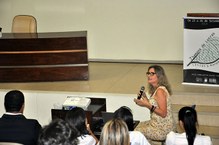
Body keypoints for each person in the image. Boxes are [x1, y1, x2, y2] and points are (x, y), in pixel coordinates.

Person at [133, 65, 175, 141]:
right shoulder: (156, 89)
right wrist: (145, 98)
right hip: (156, 123)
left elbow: (163, 113)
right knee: (137, 125)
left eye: (152, 74)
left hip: (163, 128)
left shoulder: (160, 91)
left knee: (137, 132)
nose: (149, 76)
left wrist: (147, 104)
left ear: (159, 76)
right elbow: (154, 106)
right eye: (148, 73)